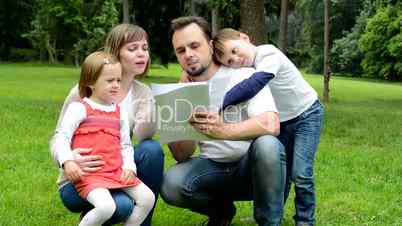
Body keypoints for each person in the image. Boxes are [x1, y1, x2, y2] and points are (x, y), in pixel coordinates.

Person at [160, 16, 286, 226]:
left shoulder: (243, 75)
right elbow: (182, 155)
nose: (188, 55)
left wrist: (222, 131)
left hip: (254, 169)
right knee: (171, 183)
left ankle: (269, 222)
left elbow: (270, 124)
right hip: (213, 169)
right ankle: (221, 213)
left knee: (267, 145)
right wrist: (184, 122)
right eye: (181, 50)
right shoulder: (180, 92)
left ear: (210, 46)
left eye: (194, 46)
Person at [50, 24, 164, 226]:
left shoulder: (143, 92)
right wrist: (69, 159)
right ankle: (92, 214)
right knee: (119, 207)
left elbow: (141, 136)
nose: (141, 54)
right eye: (132, 48)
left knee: (152, 149)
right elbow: (59, 137)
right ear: (115, 53)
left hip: (114, 168)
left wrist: (153, 107)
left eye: (145, 48)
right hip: (81, 175)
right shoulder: (82, 93)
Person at [212, 28, 324, 226]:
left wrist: (219, 104)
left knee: (301, 173)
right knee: (283, 174)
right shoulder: (247, 68)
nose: (235, 60)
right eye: (229, 61)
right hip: (283, 122)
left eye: (235, 51)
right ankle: (273, 216)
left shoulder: (268, 54)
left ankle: (306, 220)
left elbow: (254, 84)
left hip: (307, 115)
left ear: (244, 38)